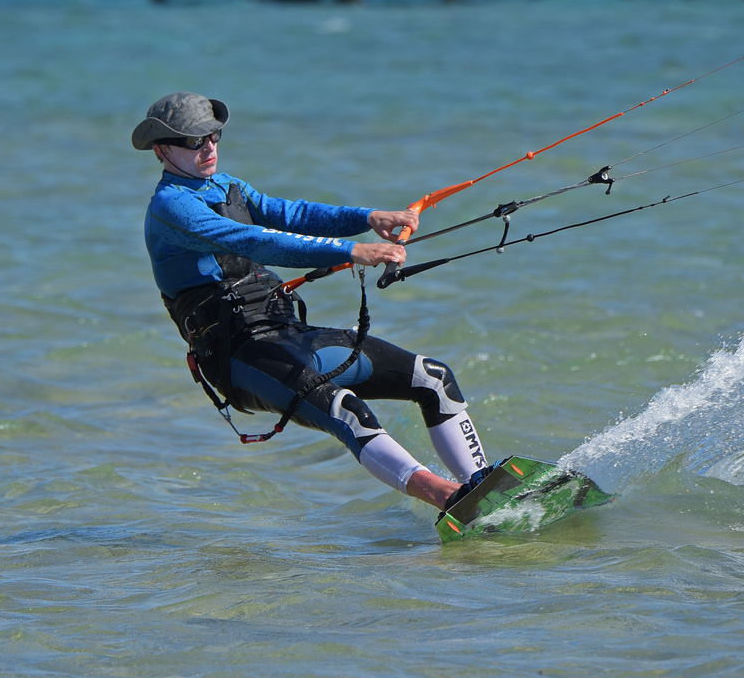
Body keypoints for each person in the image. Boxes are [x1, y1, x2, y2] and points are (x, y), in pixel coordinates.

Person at [136, 92, 492, 512]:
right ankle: (450, 499)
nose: (209, 147)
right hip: (239, 355)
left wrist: (368, 217)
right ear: (162, 149)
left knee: (433, 378)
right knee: (348, 411)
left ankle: (485, 485)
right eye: (195, 141)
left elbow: (288, 214)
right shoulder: (171, 206)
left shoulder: (226, 186)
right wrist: (350, 251)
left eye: (213, 136)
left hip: (285, 332)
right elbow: (256, 241)